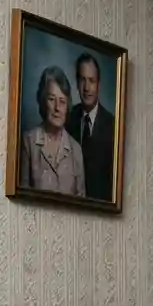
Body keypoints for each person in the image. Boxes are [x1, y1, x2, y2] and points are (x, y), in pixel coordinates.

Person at [19, 66, 86, 197]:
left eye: (62, 101)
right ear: (42, 101)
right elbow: (22, 198)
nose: (57, 108)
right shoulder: (28, 142)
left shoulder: (76, 149)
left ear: (68, 106)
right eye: (51, 99)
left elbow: (81, 202)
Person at [66, 52, 116, 201]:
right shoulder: (66, 118)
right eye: (82, 80)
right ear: (76, 83)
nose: (87, 87)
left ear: (99, 85)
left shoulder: (113, 126)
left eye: (91, 81)